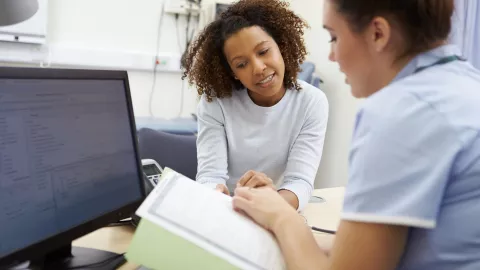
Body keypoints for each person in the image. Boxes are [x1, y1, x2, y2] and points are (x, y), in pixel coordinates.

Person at [232, 0, 480, 269]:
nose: (332, 56)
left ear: (378, 34)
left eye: (334, 37)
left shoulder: (401, 113)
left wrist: (281, 216)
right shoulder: (465, 83)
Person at [182, 0, 329, 211]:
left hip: (277, 209)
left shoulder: (311, 102)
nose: (258, 68)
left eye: (263, 52)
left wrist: (270, 204)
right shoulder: (215, 102)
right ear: (232, 72)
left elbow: (300, 181)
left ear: (280, 45)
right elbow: (210, 175)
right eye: (242, 64)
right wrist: (213, 194)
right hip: (228, 211)